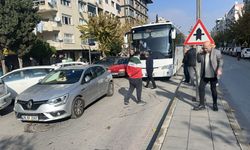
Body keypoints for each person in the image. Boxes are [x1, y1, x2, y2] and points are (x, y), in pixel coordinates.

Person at [194, 41, 223, 111]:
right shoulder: (202, 53)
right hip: (205, 75)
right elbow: (198, 60)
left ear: (210, 46)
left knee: (213, 90)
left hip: (213, 75)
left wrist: (219, 69)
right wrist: (199, 53)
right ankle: (202, 105)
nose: (205, 50)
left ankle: (215, 104)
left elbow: (221, 61)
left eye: (206, 48)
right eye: (204, 48)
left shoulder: (216, 52)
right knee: (201, 88)